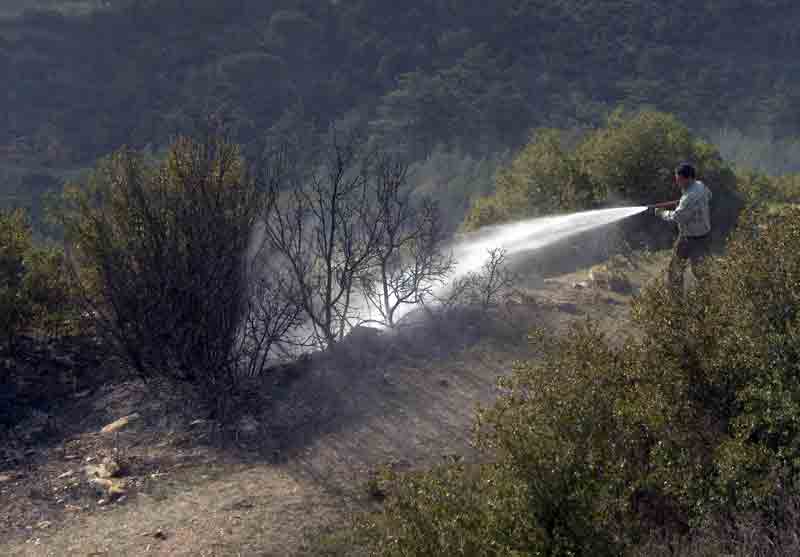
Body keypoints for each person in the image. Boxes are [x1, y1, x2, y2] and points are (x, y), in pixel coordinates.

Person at [651, 162, 712, 293]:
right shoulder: (700, 185)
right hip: (696, 236)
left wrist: (662, 213)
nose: (677, 183)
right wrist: (690, 205)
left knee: (697, 272)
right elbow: (709, 195)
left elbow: (677, 217)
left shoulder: (688, 198)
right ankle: (679, 302)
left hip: (695, 239)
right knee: (677, 269)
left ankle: (682, 302)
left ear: (689, 178)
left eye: (679, 180)